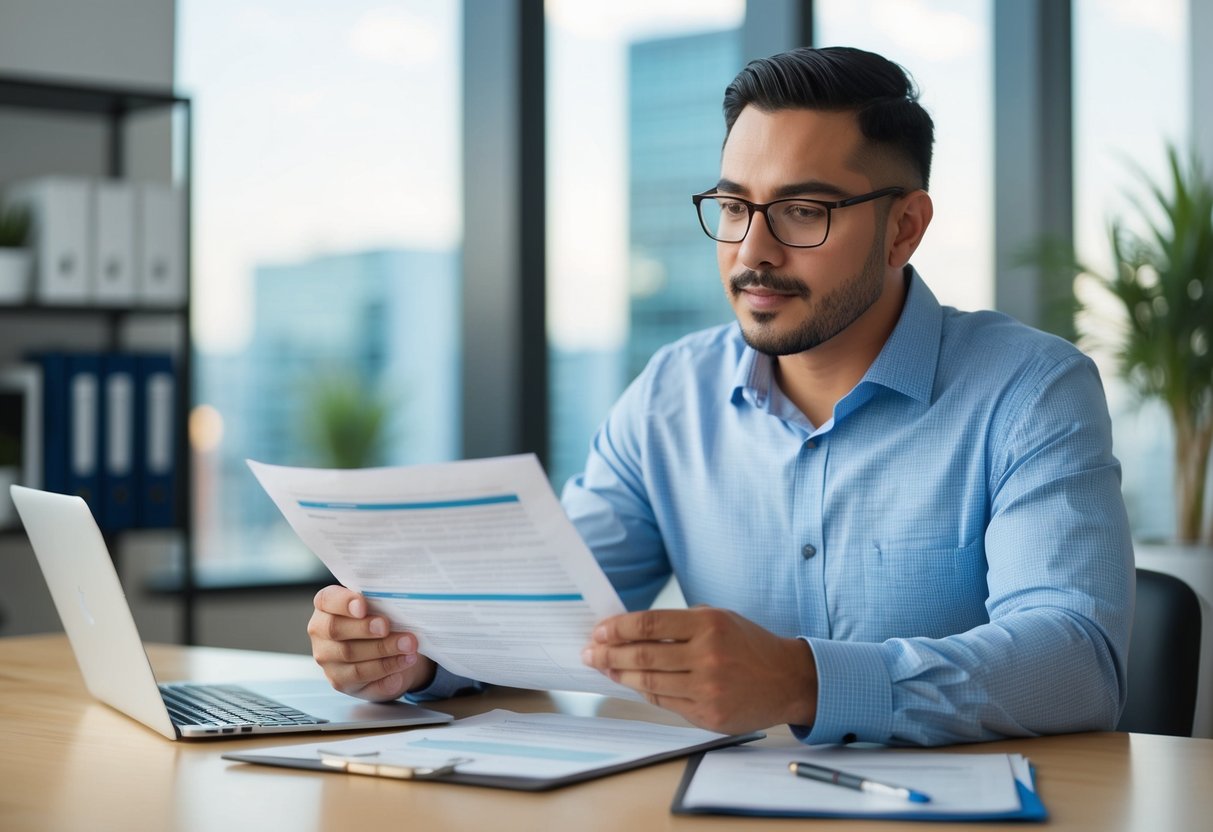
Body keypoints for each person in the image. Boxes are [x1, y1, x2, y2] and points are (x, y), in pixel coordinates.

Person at [307, 46, 1133, 747]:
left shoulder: (1029, 390)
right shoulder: (671, 394)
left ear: (903, 229)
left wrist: (804, 682)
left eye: (801, 211)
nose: (751, 251)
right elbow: (549, 609)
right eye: (734, 206)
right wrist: (413, 654)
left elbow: (1076, 662)